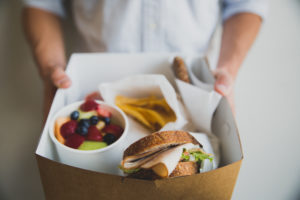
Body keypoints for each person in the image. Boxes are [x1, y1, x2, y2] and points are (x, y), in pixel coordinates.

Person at [22, 0, 268, 118]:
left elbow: (245, 5)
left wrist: (228, 69)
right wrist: (51, 67)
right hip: (92, 97)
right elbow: (41, 4)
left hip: (194, 96)